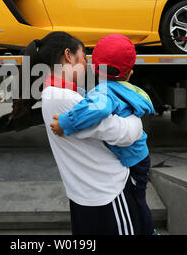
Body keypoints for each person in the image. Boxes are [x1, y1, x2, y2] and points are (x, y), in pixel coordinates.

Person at [13, 31, 144, 235]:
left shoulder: (55, 93)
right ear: (68, 55)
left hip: (86, 194)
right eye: (84, 57)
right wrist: (138, 116)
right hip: (108, 192)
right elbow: (125, 134)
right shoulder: (65, 99)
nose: (86, 65)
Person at [50, 34, 156, 235]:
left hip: (132, 160)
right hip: (141, 155)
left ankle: (148, 231)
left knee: (138, 202)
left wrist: (66, 123)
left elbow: (97, 109)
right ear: (130, 72)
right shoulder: (129, 89)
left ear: (94, 66)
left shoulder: (104, 92)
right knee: (140, 198)